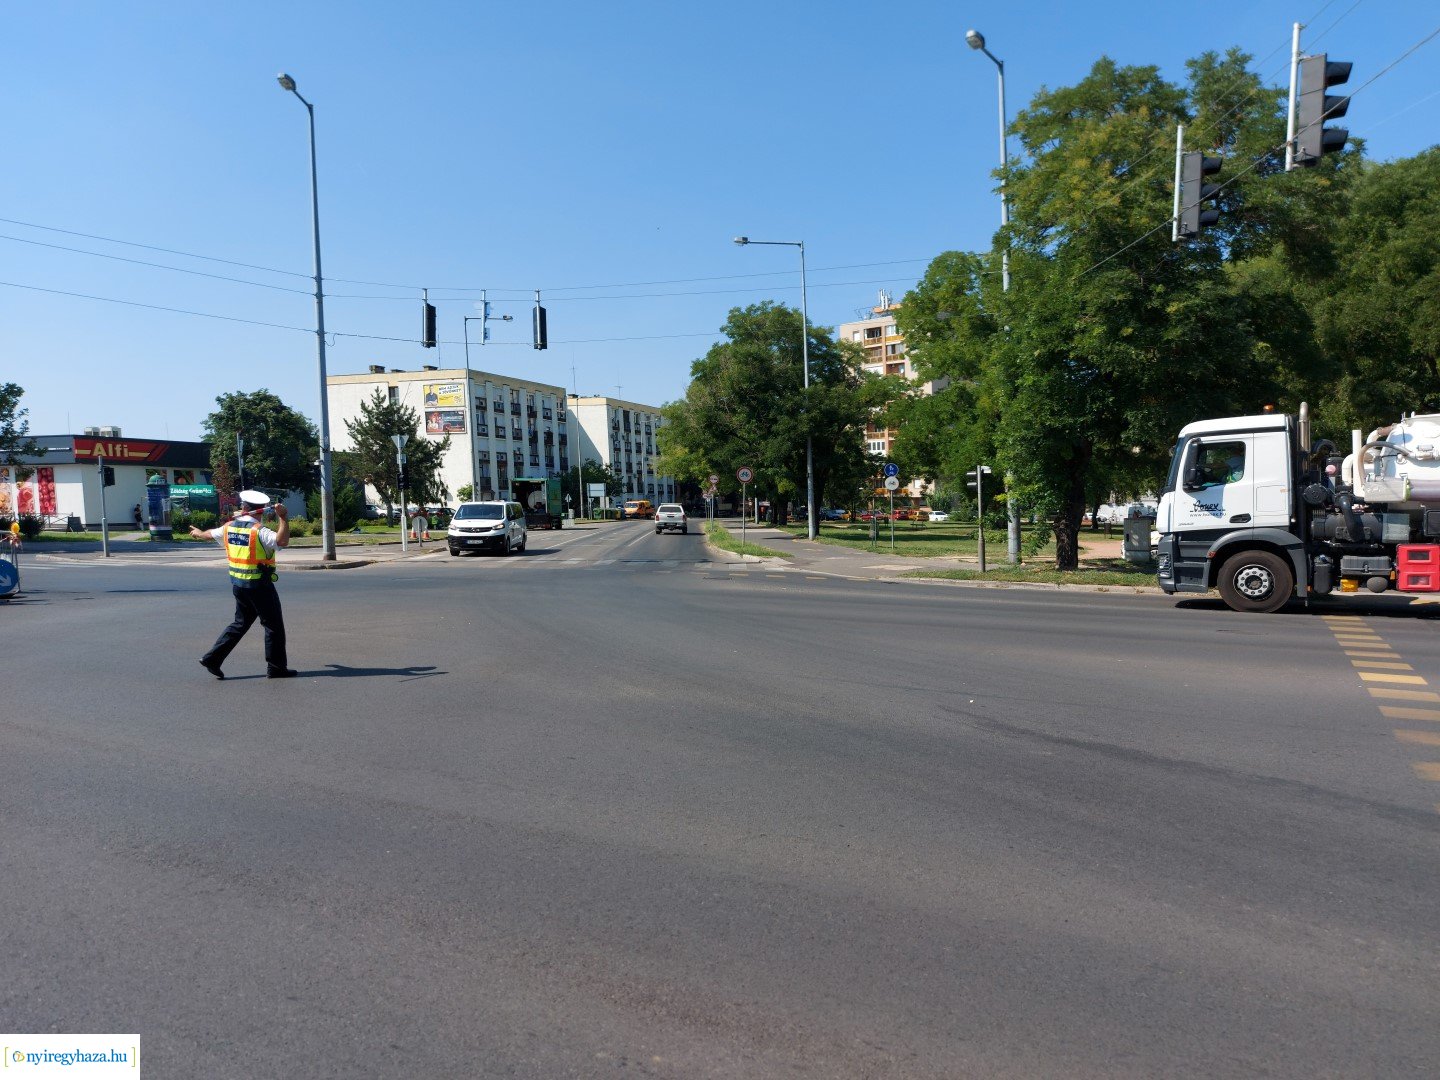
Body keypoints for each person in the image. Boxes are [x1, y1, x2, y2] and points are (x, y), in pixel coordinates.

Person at [193, 490, 297, 679]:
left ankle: (212, 659)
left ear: (244, 507)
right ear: (262, 511)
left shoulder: (229, 527)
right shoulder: (259, 531)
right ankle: (276, 668)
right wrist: (283, 518)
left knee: (240, 623)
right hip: (259, 585)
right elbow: (282, 541)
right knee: (273, 626)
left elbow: (210, 534)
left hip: (239, 584)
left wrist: (199, 533)